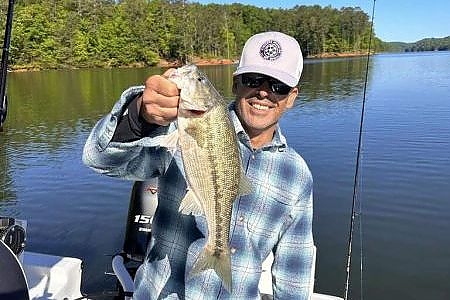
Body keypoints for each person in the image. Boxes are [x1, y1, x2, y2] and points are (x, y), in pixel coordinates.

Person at [83, 31, 314, 300]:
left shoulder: (297, 175)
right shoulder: (176, 129)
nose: (263, 92)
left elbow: (294, 271)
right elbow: (98, 159)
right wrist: (139, 118)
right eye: (253, 80)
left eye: (278, 86)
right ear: (235, 84)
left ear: (292, 97)